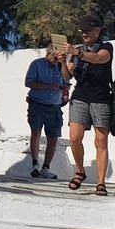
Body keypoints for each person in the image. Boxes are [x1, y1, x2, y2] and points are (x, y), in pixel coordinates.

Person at [62, 14, 114, 194]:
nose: (83, 34)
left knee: (101, 140)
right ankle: (80, 171)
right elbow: (67, 76)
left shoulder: (106, 47)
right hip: (80, 97)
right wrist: (63, 60)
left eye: (87, 30)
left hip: (101, 98)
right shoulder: (77, 51)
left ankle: (101, 182)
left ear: (97, 30)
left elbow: (100, 59)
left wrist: (77, 53)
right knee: (75, 137)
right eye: (81, 31)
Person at [24, 44, 69, 179]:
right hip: (37, 104)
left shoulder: (60, 67)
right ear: (48, 54)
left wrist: (64, 85)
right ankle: (35, 165)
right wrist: (47, 86)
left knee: (53, 138)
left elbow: (67, 79)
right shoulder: (37, 64)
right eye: (55, 57)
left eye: (58, 58)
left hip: (55, 106)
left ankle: (46, 168)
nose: (56, 60)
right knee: (36, 132)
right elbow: (28, 82)